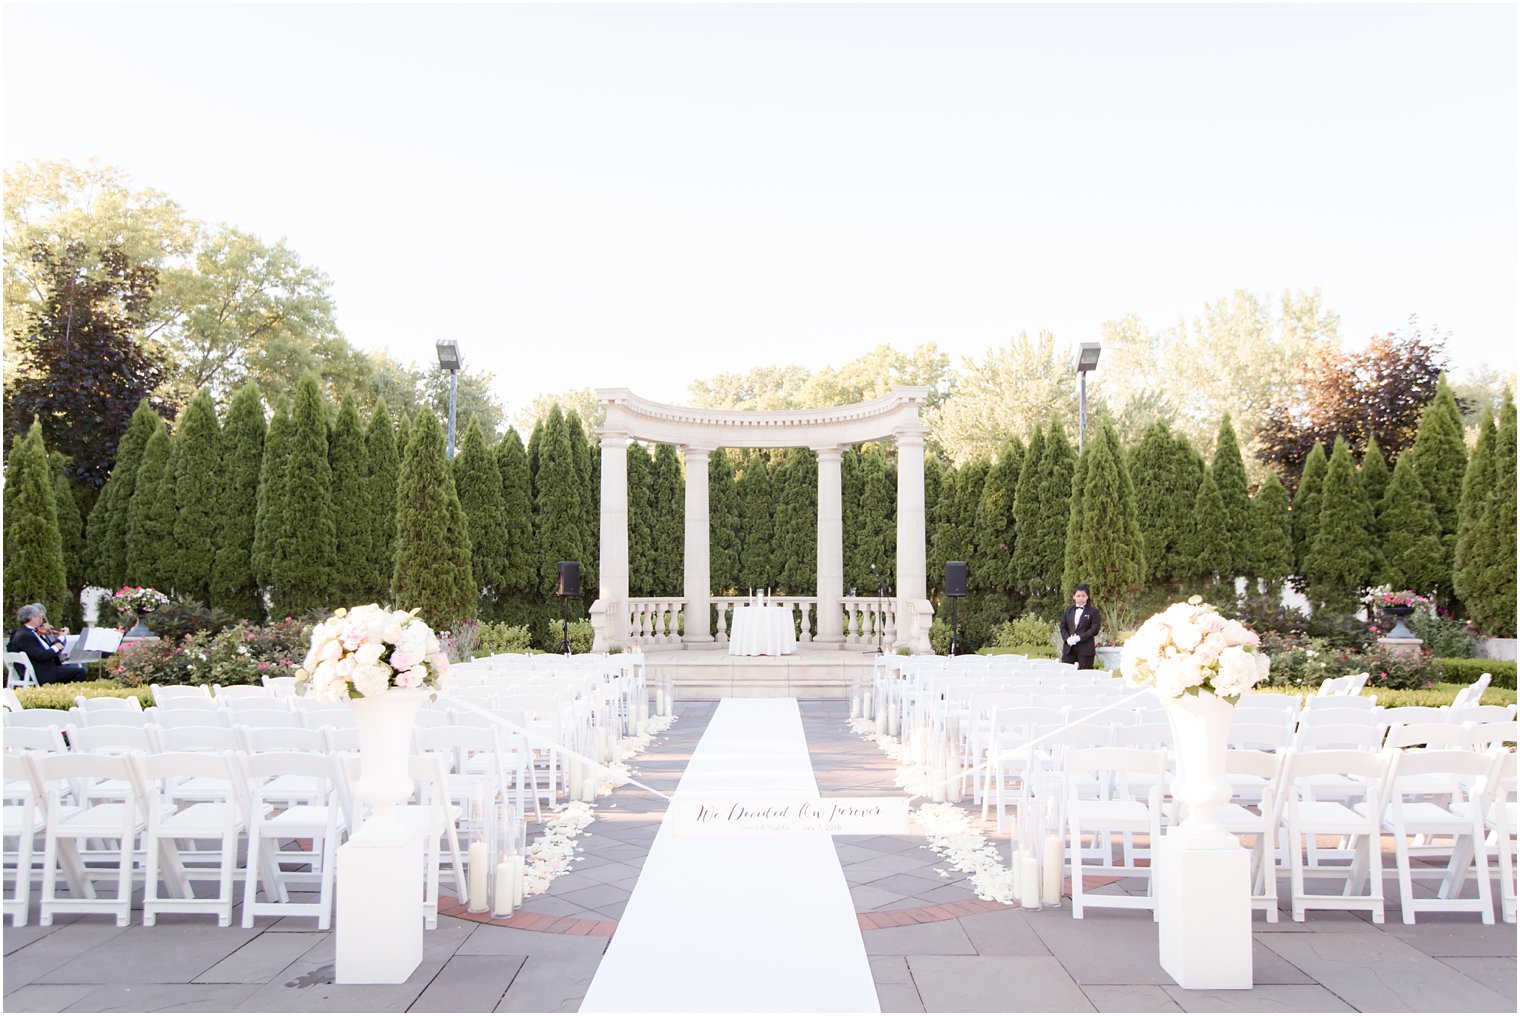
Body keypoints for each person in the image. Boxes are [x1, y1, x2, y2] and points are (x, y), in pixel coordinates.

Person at [6, 603, 88, 685]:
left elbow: (45, 650)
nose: (41, 621)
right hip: (42, 673)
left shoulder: (25, 632)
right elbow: (41, 656)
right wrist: (56, 647)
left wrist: (59, 640)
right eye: (39, 617)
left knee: (70, 669)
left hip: (42, 669)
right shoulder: (26, 635)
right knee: (80, 672)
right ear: (32, 618)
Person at [1058, 584, 1101, 670]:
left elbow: (1094, 629)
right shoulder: (1068, 610)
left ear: (1087, 597)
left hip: (1085, 650)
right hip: (1069, 649)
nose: (1081, 598)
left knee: (1085, 675)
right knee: (1066, 672)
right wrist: (1067, 638)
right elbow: (1063, 627)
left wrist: (1079, 638)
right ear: (1074, 597)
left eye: (1083, 596)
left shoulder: (1093, 611)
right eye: (1078, 596)